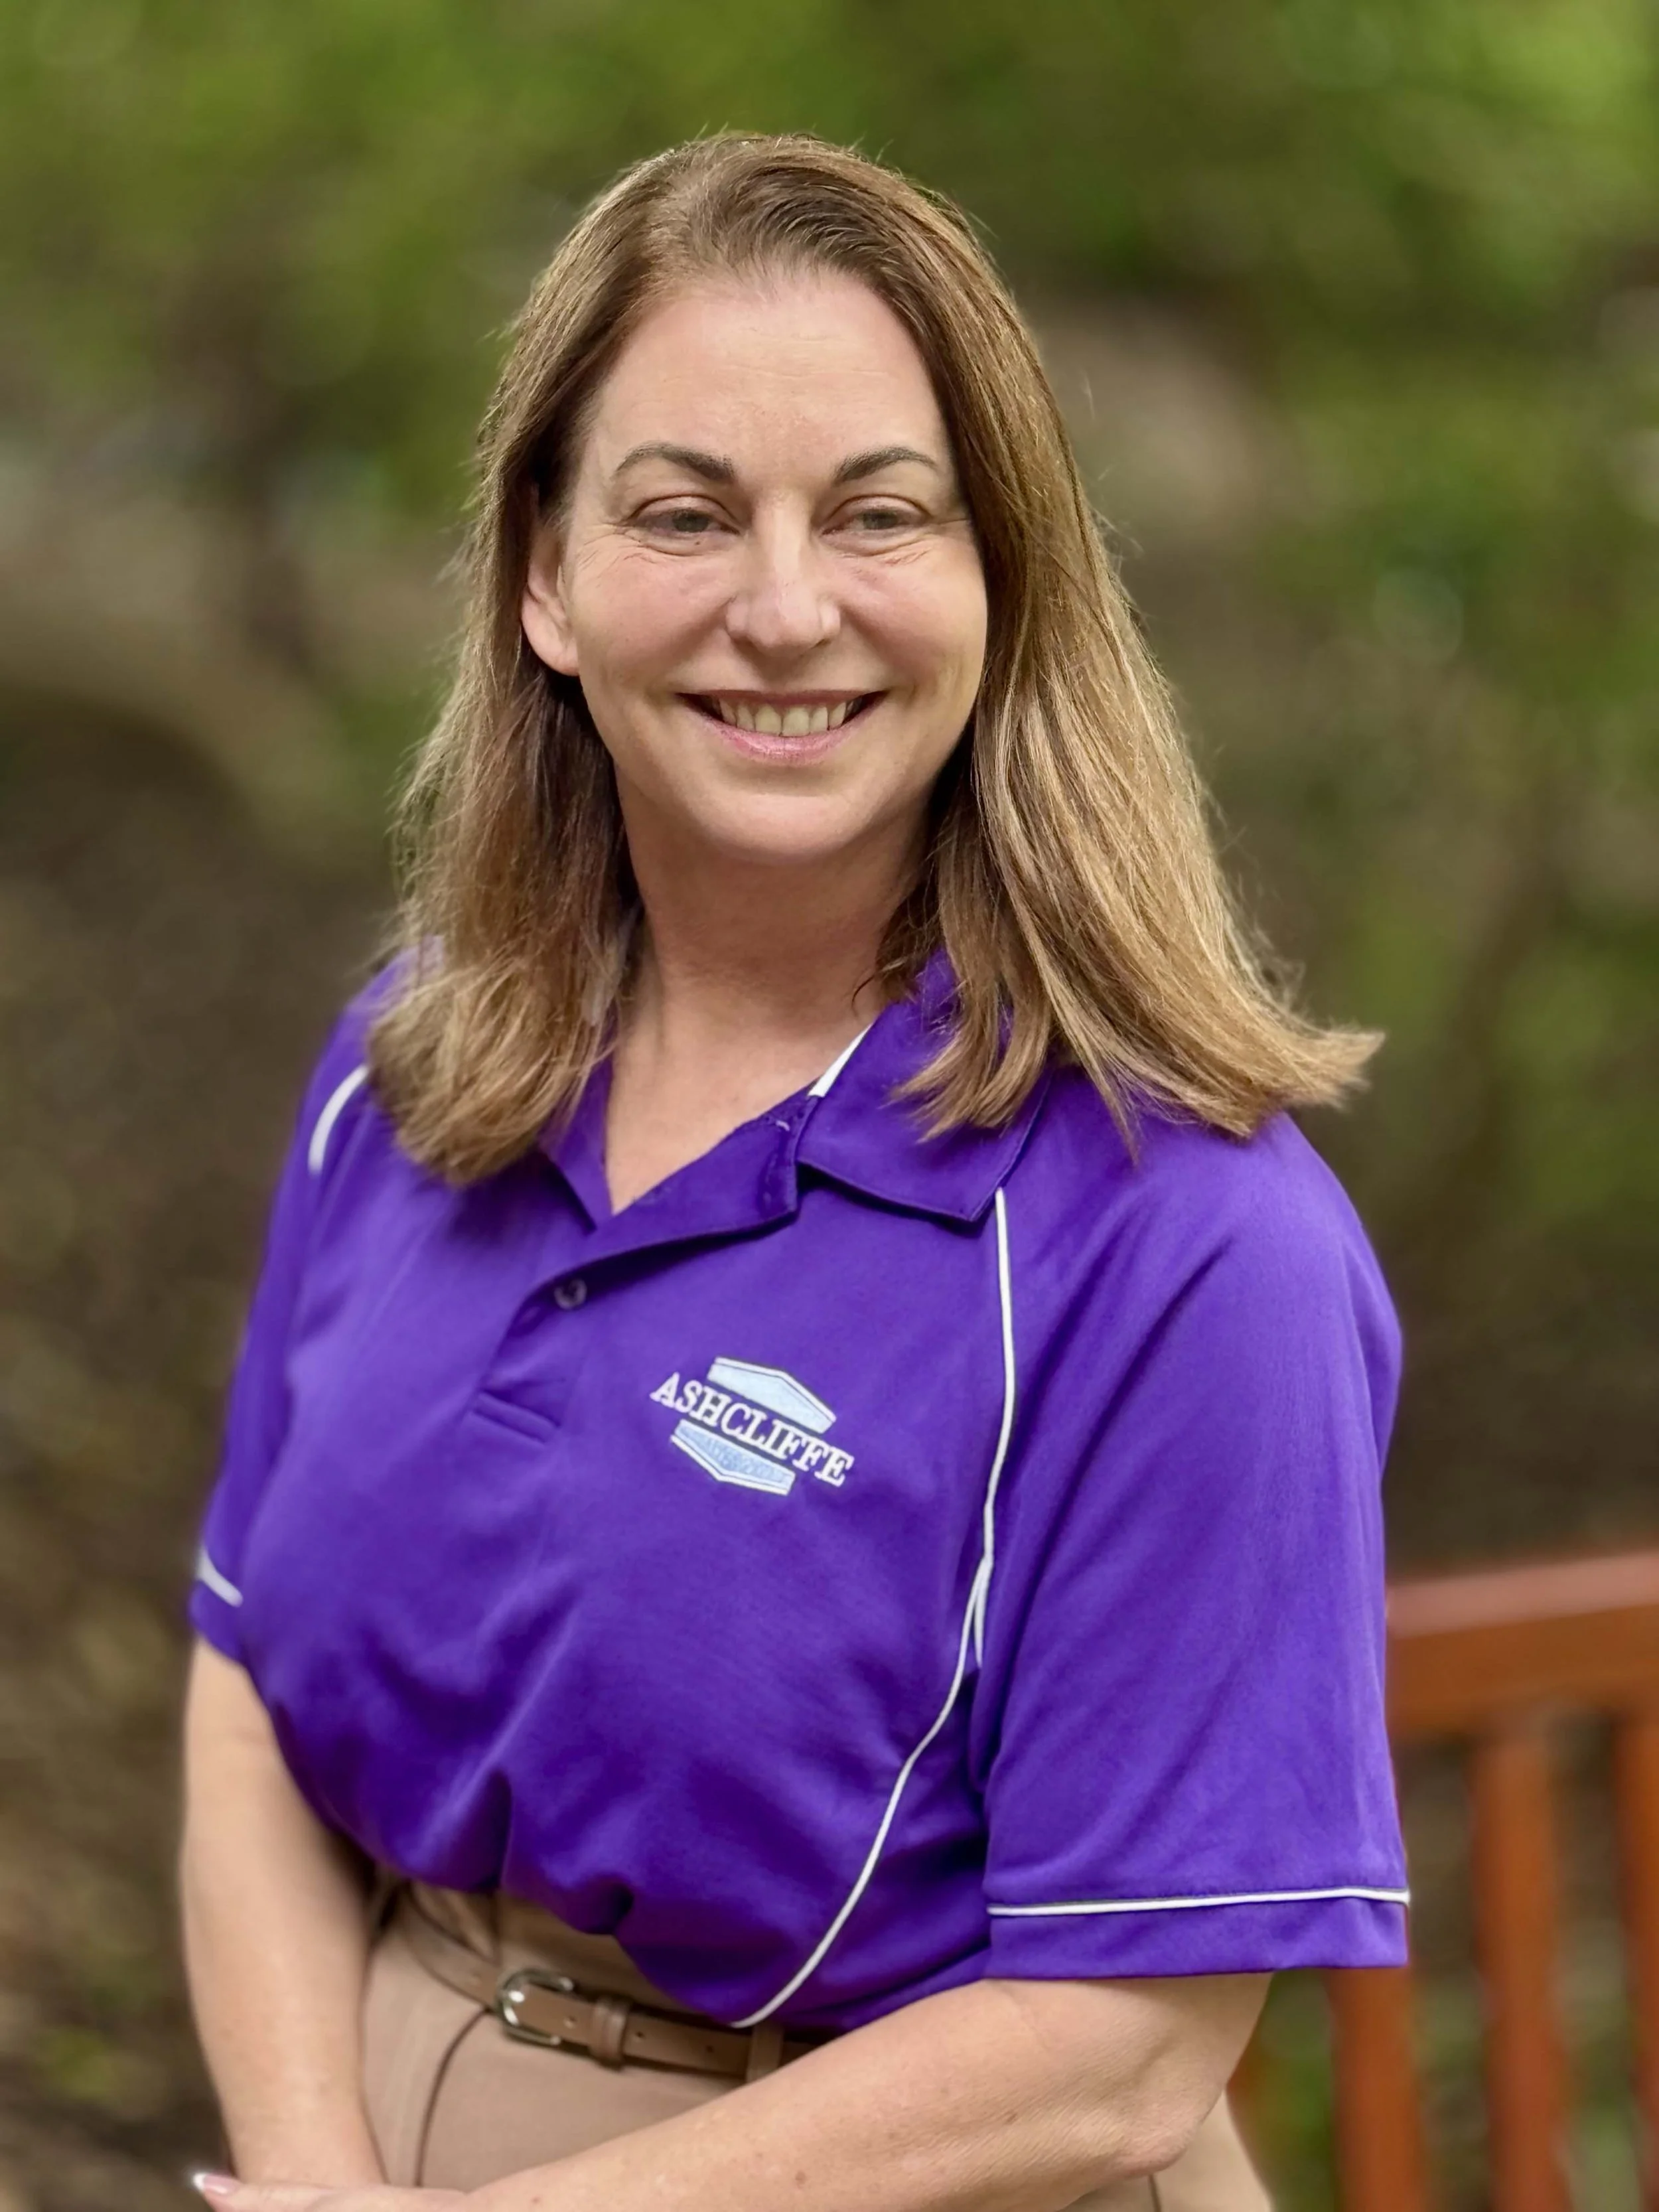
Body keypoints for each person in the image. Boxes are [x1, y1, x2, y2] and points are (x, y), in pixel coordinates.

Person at [177, 134, 1408, 2212]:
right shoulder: (408, 1062)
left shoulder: (1194, 1241)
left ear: (997, 579)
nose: (781, 604)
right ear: (541, 581)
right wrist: (311, 2167)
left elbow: (1121, 2053)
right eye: (682, 511)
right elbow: (244, 1681)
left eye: (877, 513)